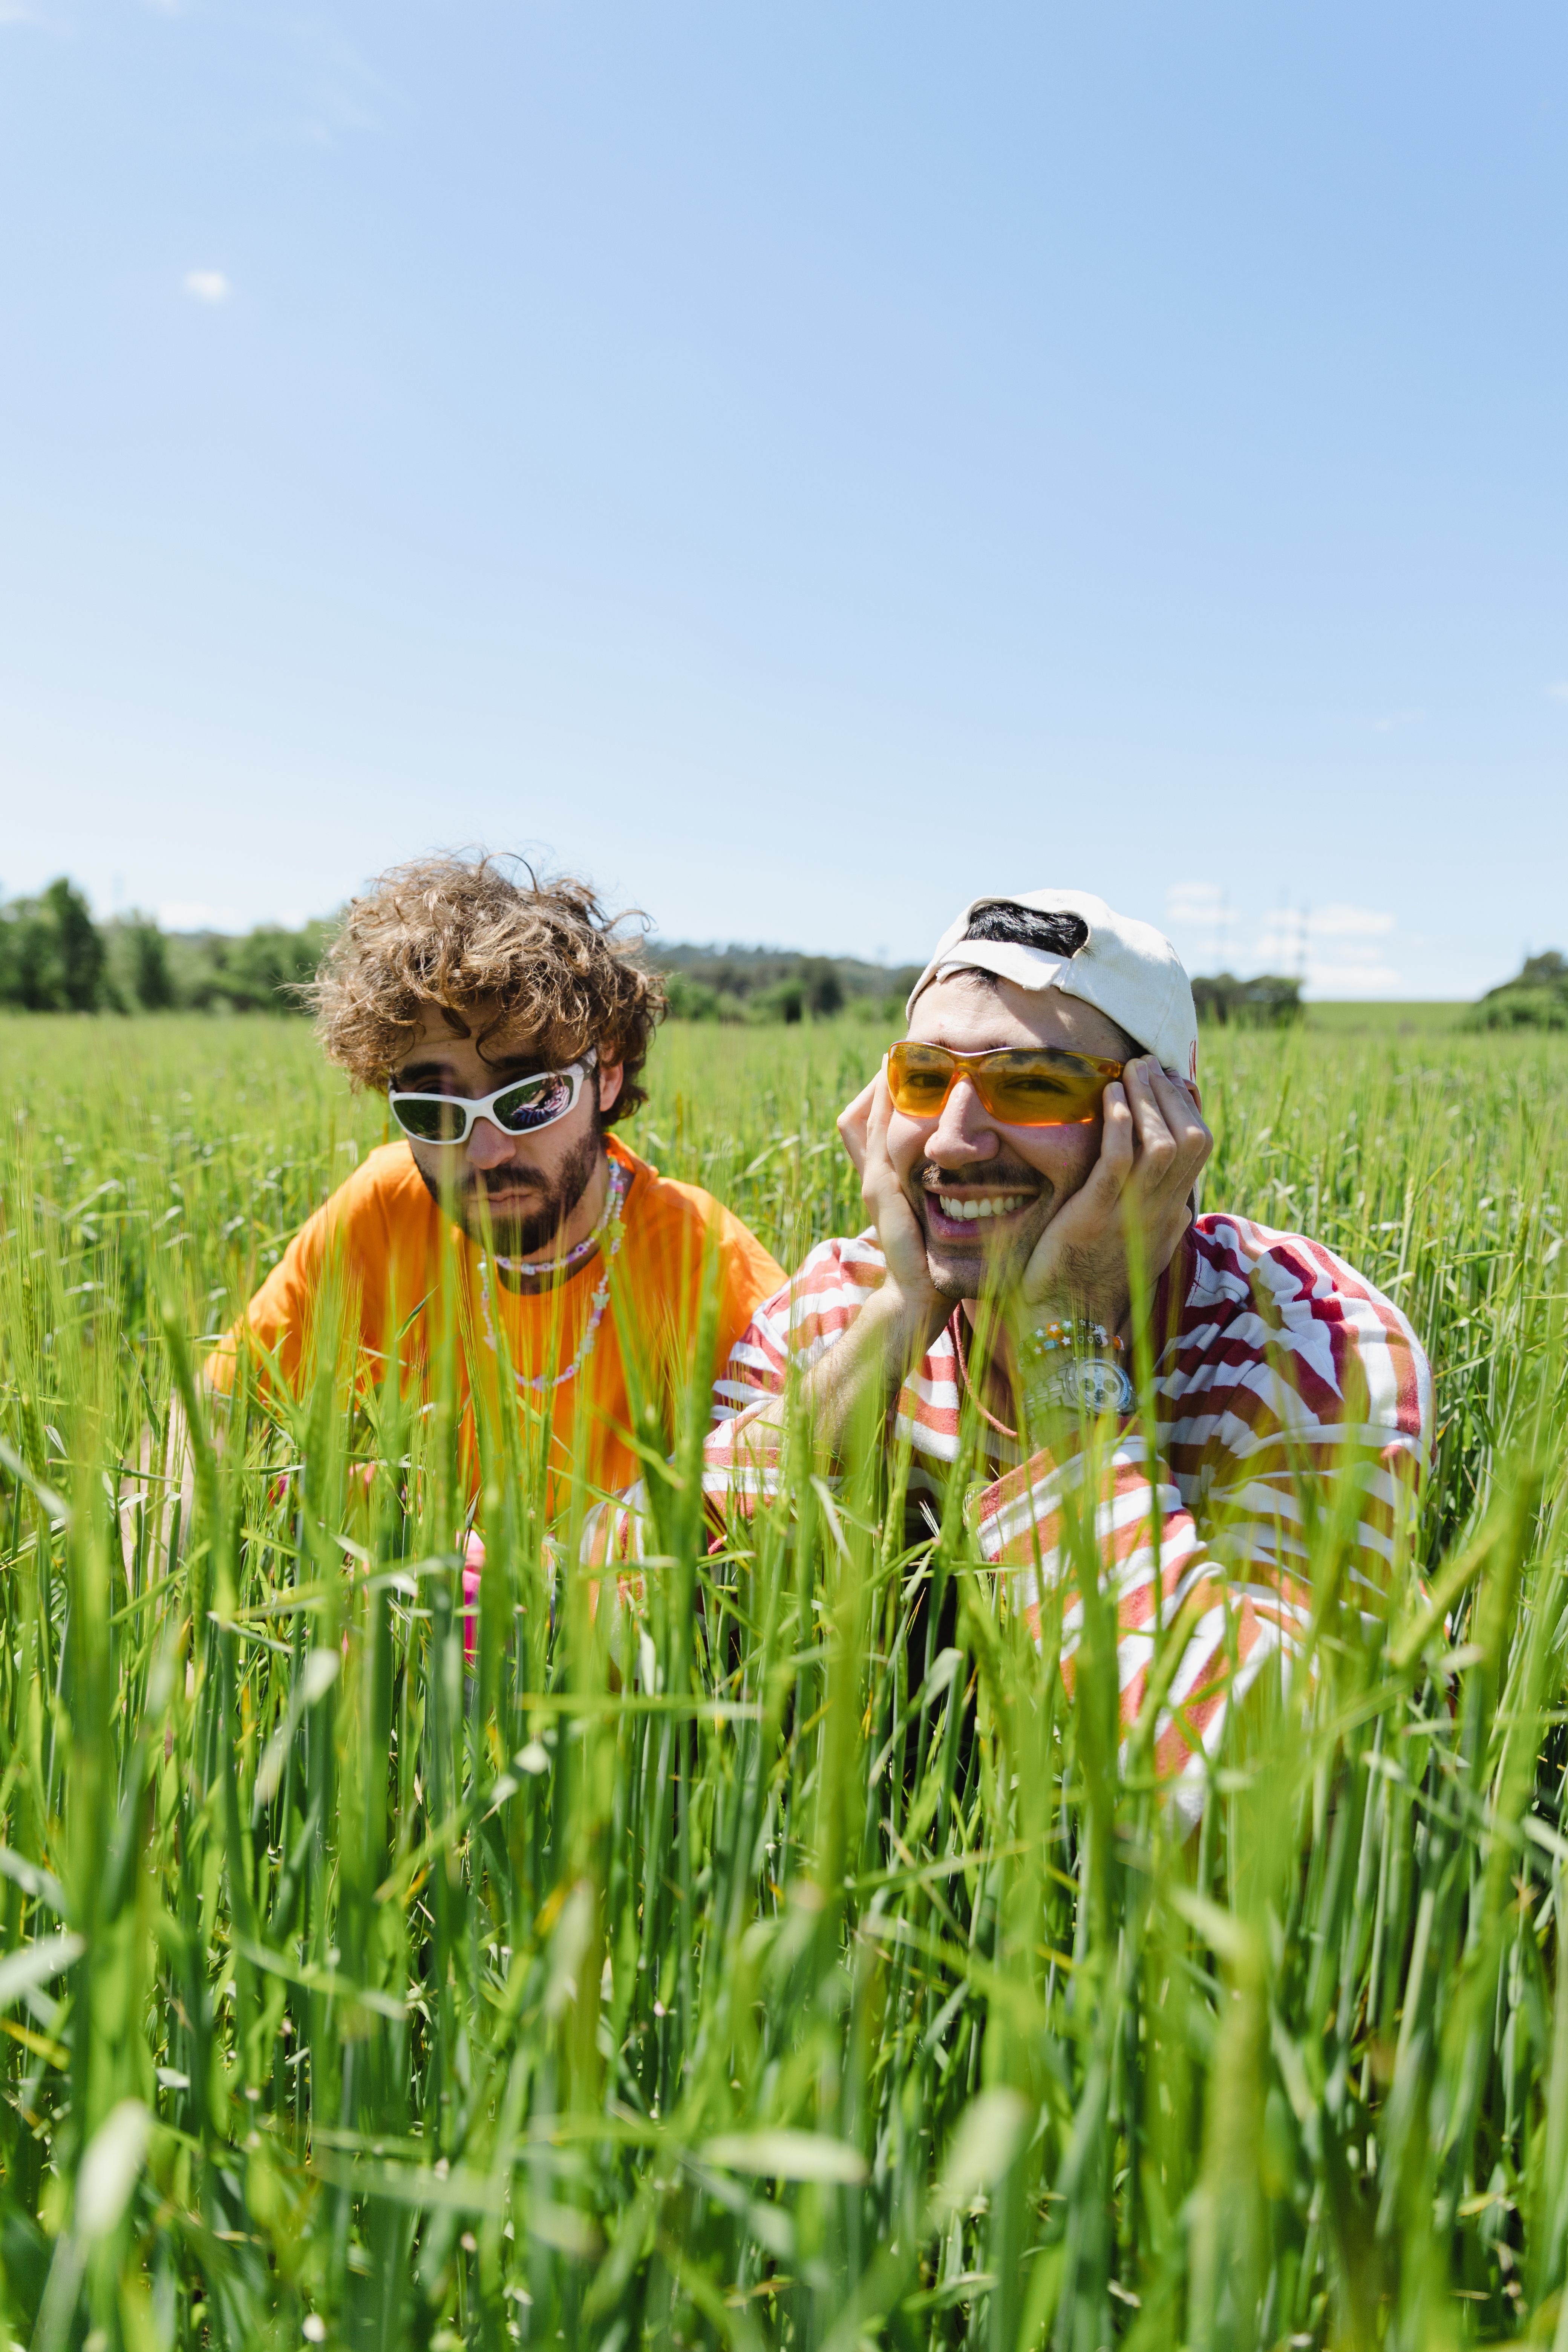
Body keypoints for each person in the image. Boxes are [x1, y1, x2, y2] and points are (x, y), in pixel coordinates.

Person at [600, 889, 1431, 1822]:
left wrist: (1063, 1335)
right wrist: (903, 1311)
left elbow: (1245, 1783)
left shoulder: (1306, 1346)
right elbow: (620, 1592)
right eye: (923, 1079)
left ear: (1164, 1130)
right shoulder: (844, 1300)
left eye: (1034, 1083)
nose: (953, 1139)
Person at [206, 856, 785, 1619]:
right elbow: (214, 1411)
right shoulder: (385, 1209)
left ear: (605, 1073)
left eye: (532, 1097)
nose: (483, 1153)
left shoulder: (708, 1266)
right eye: (433, 1111)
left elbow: (786, 1531)